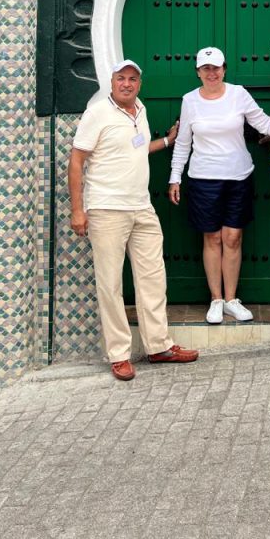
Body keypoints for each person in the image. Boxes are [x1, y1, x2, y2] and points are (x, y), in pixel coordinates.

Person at [69, 59, 199, 381]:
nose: (127, 84)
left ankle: (158, 345)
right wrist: (77, 210)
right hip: (106, 209)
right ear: (111, 82)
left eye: (133, 79)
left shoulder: (139, 110)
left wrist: (167, 141)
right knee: (110, 284)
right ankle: (119, 354)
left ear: (139, 84)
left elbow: (136, 148)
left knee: (153, 277)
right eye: (121, 78)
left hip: (142, 208)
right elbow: (76, 161)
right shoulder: (97, 113)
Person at [168, 46, 270, 325]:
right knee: (212, 238)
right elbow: (183, 143)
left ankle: (231, 300)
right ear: (198, 72)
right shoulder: (190, 100)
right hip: (203, 178)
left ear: (224, 69)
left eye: (216, 67)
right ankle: (216, 300)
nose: (211, 73)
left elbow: (264, 123)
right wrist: (174, 176)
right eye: (206, 68)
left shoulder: (239, 94)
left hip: (238, 176)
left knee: (233, 238)